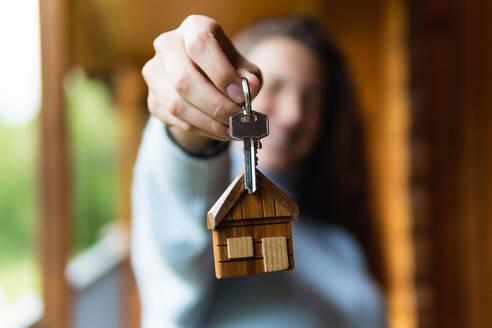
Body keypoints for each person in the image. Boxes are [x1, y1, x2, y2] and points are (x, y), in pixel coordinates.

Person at [132, 14, 386, 328]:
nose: (294, 114)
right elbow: (179, 228)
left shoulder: (338, 243)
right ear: (230, 91)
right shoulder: (210, 208)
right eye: (274, 86)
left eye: (312, 98)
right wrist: (191, 133)